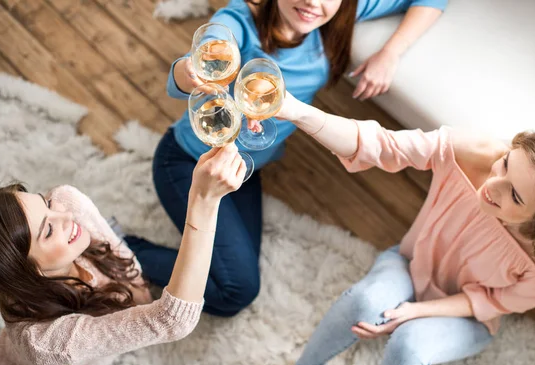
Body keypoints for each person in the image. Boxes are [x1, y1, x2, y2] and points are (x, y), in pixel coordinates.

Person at [248, 93, 535, 365]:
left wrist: (414, 313)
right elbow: (376, 144)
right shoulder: (472, 151)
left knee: (410, 345)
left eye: (514, 194)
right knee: (364, 301)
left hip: (469, 318)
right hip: (410, 265)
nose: (492, 185)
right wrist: (296, 111)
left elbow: (489, 301)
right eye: (505, 164)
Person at [126, 0, 448, 317]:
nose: (312, 2)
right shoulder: (240, 18)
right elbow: (191, 66)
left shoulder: (342, 7)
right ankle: (119, 248)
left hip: (242, 171)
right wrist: (191, 70)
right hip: (188, 163)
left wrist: (391, 53)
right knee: (237, 290)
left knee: (233, 274)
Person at [0, 144, 246, 365]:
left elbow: (138, 287)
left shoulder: (67, 201)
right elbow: (173, 320)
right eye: (48, 230)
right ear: (28, 273)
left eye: (45, 202)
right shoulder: (42, 341)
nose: (65, 215)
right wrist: (203, 202)